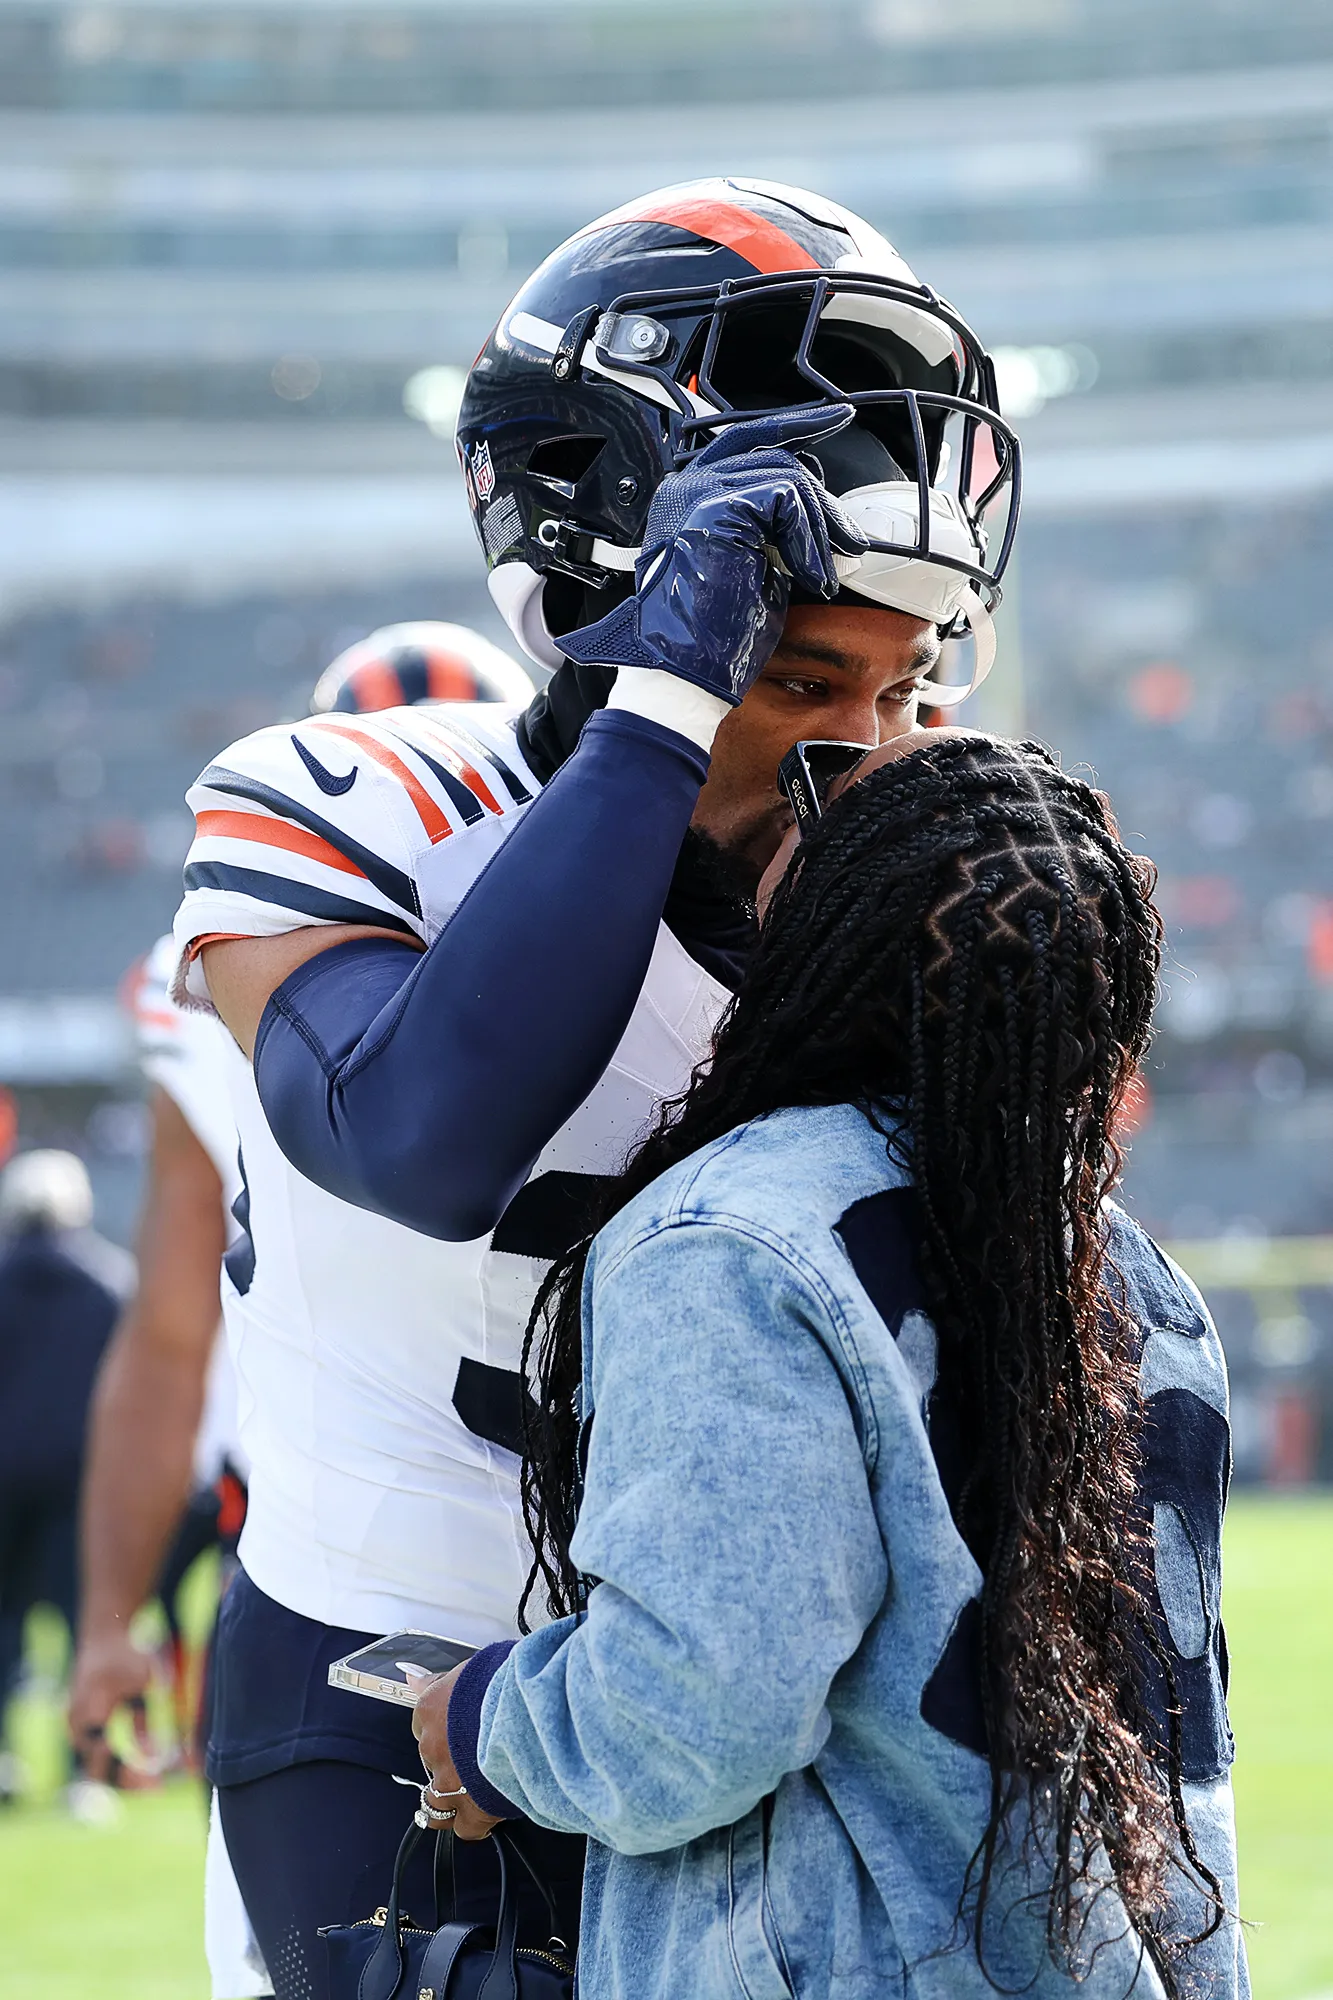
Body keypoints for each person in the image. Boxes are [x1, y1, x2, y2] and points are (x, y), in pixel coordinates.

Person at [170, 180, 1020, 1998]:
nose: (860, 749)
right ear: (607, 601)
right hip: (384, 1694)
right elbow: (424, 1136)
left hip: (710, 1704)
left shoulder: (889, 888)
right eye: (795, 673)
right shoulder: (357, 798)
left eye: (904, 683)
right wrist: (657, 702)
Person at [415, 729, 1248, 1999]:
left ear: (835, 925)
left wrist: (490, 1727)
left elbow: (692, 1711)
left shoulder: (728, 1237)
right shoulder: (1140, 1275)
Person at [68, 622, 535, 2000]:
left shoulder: (228, 946)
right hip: (552, 1597)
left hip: (323, 1589)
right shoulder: (609, 925)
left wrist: (110, 1623)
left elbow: (168, 1327)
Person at [0, 1151, 132, 1818]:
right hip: (80, 1481)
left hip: (3, 1479)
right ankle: (85, 1771)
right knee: (88, 1628)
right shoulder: (108, 1282)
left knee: (3, 1628)